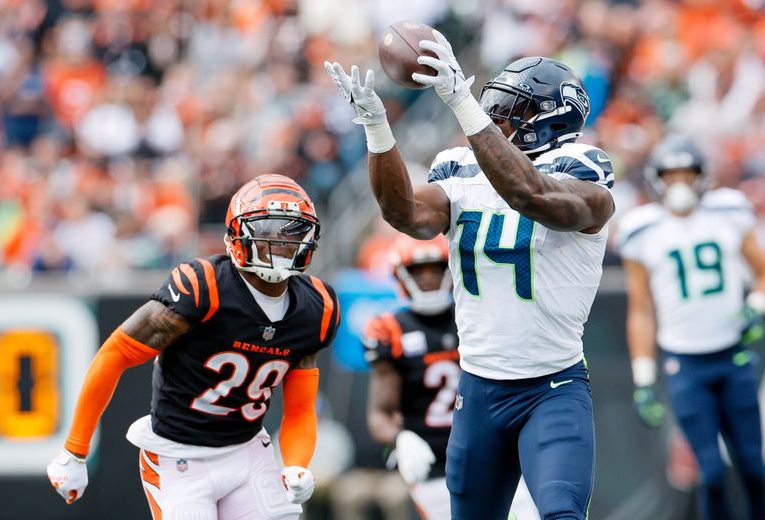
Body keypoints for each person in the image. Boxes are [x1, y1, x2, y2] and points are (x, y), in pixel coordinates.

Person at [325, 30, 615, 520]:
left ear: (552, 117)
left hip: (552, 387)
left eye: (513, 111)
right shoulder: (460, 167)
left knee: (561, 514)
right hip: (479, 389)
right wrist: (377, 127)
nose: (497, 119)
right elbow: (405, 214)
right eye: (494, 108)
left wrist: (462, 102)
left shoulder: (585, 168)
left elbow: (532, 196)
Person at [46, 174, 341, 520]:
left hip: (246, 451)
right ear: (237, 234)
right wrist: (75, 451)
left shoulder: (317, 306)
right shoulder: (204, 287)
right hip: (176, 455)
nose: (279, 242)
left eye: (290, 230)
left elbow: (300, 410)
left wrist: (295, 465)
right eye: (266, 229)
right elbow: (116, 353)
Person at [616, 135, 765, 520]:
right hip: (685, 364)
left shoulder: (728, 211)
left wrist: (755, 307)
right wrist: (644, 376)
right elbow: (642, 310)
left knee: (754, 466)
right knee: (711, 472)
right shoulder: (641, 229)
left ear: (702, 176)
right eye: (672, 174)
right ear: (657, 179)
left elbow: (762, 273)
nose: (680, 182)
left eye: (687, 173)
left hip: (733, 355)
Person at [364, 233, 539, 520]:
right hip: (432, 462)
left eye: (435, 269)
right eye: (418, 271)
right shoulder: (391, 330)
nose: (429, 278)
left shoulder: (474, 316)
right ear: (401, 275)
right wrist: (400, 440)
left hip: (488, 452)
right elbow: (379, 414)